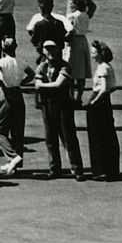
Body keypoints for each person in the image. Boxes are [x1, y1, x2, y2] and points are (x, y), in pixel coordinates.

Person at [32, 40, 84, 179]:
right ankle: (54, 168)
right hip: (47, 105)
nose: (50, 52)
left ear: (58, 50)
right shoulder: (42, 66)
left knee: (68, 137)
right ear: (43, 51)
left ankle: (77, 169)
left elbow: (58, 84)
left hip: (63, 105)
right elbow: (38, 83)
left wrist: (43, 86)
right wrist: (44, 85)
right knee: (50, 138)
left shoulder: (64, 66)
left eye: (53, 48)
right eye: (47, 49)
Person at [0, 37, 32, 174]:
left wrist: (1, 82)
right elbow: (31, 74)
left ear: (3, 48)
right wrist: (22, 82)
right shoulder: (21, 61)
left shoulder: (2, 61)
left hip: (6, 94)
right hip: (18, 93)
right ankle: (15, 164)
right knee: (17, 130)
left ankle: (13, 157)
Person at [85, 40, 120, 180]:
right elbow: (112, 87)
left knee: (98, 136)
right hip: (105, 102)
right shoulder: (107, 66)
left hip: (99, 101)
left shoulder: (102, 69)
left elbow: (104, 88)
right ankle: (110, 169)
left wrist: (94, 101)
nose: (92, 55)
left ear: (100, 54)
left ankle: (101, 169)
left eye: (94, 53)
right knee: (107, 134)